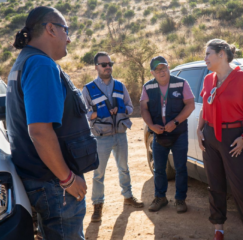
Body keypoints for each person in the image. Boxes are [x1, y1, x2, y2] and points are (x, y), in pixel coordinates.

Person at [6, 6, 99, 240]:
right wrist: (67, 179)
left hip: (42, 180)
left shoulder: (24, 61)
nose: (69, 38)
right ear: (50, 29)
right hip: (54, 184)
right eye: (65, 30)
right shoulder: (41, 65)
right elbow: (39, 131)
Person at [197, 39, 243, 240]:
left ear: (222, 54)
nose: (205, 58)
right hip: (210, 136)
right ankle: (218, 228)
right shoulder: (208, 79)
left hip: (234, 138)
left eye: (208, 53)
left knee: (240, 188)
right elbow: (204, 107)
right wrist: (199, 130)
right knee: (215, 185)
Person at [82, 52, 144, 222]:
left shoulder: (120, 86)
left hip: (120, 135)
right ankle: (97, 205)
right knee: (98, 174)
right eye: (104, 64)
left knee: (124, 168)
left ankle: (128, 196)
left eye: (110, 63)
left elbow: (131, 108)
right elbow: (84, 114)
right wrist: (97, 113)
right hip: (101, 137)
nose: (108, 67)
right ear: (96, 67)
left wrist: (123, 109)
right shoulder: (88, 89)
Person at [140, 56, 195, 213]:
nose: (162, 71)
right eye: (158, 69)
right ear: (152, 73)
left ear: (168, 68)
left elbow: (190, 104)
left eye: (164, 68)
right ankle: (160, 197)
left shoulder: (181, 83)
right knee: (159, 168)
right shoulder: (148, 87)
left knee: (180, 168)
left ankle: (180, 200)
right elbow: (143, 107)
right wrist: (151, 126)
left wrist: (175, 122)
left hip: (179, 133)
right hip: (159, 134)